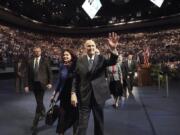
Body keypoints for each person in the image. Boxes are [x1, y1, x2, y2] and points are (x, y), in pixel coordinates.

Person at [71, 32, 119, 135]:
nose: (91, 47)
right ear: (85, 48)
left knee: (99, 123)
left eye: (93, 45)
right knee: (82, 125)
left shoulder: (101, 58)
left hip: (99, 96)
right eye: (89, 46)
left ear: (95, 47)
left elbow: (113, 61)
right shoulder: (80, 60)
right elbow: (76, 78)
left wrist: (113, 49)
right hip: (84, 97)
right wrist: (73, 93)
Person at [24, 46, 52, 134]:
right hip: (33, 85)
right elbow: (27, 74)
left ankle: (35, 124)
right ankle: (43, 112)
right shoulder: (30, 61)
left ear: (41, 52)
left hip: (42, 85)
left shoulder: (45, 60)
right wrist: (26, 85)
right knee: (38, 101)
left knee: (39, 102)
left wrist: (50, 83)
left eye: (38, 51)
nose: (37, 52)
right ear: (33, 52)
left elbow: (49, 72)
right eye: (35, 51)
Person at [51, 49, 78, 135]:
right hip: (63, 95)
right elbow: (59, 81)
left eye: (67, 55)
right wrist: (55, 93)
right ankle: (61, 132)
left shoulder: (76, 65)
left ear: (71, 56)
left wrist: (74, 94)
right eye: (64, 55)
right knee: (62, 117)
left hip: (75, 96)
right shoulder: (62, 65)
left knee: (74, 117)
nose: (65, 56)